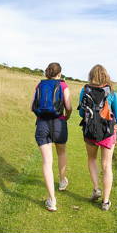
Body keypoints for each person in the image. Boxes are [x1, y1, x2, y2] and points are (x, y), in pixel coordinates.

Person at [78, 64, 117, 211]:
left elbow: (81, 113)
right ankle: (105, 201)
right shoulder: (112, 93)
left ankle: (96, 189)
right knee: (107, 165)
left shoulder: (84, 90)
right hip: (108, 132)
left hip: (90, 131)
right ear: (105, 76)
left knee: (91, 159)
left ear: (91, 76)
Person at [31, 62, 72, 211]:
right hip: (59, 124)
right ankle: (62, 181)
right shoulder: (63, 85)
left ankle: (52, 200)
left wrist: (41, 116)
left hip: (42, 124)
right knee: (61, 152)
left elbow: (32, 107)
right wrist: (67, 117)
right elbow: (68, 107)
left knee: (47, 162)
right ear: (59, 74)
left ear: (47, 73)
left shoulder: (39, 85)